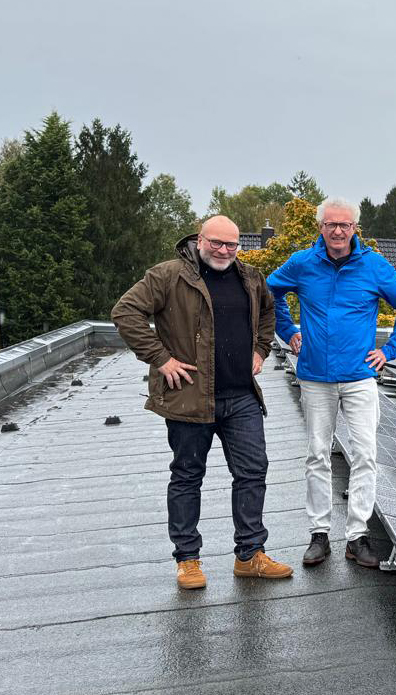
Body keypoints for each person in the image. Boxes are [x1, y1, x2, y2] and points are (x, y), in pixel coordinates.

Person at [111, 215, 293, 589]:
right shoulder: (168, 275)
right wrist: (160, 358)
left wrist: (260, 349)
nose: (225, 251)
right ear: (200, 240)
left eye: (232, 245)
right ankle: (188, 560)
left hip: (240, 395)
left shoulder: (251, 278)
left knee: (252, 471)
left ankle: (250, 554)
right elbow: (125, 313)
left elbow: (269, 312)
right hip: (189, 397)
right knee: (187, 476)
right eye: (217, 243)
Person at [268, 197, 396, 567]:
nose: (338, 231)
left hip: (359, 377)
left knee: (365, 454)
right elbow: (269, 291)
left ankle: (357, 536)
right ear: (320, 227)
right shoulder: (303, 263)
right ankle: (319, 534)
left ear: (355, 229)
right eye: (331, 224)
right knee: (317, 454)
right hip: (315, 378)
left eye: (345, 225)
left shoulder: (373, 265)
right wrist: (287, 330)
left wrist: (391, 350)